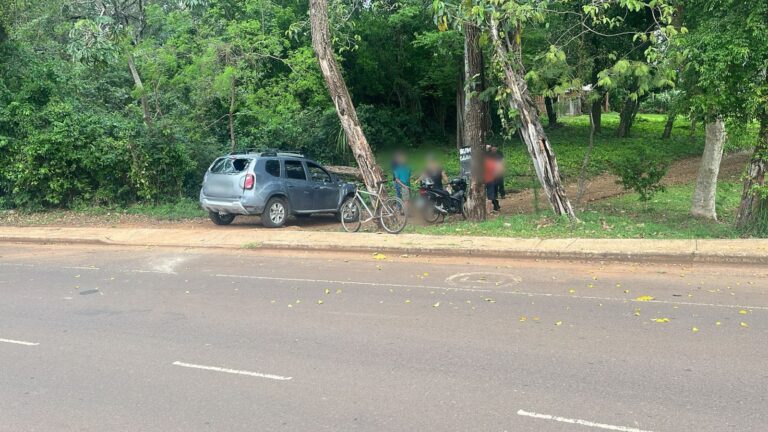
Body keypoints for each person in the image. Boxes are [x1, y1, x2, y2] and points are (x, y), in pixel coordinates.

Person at [484, 148, 502, 213]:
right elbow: (497, 171)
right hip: (490, 180)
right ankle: (489, 211)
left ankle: (488, 210)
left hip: (482, 181)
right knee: (490, 197)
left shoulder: (480, 163)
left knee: (485, 196)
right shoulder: (491, 162)